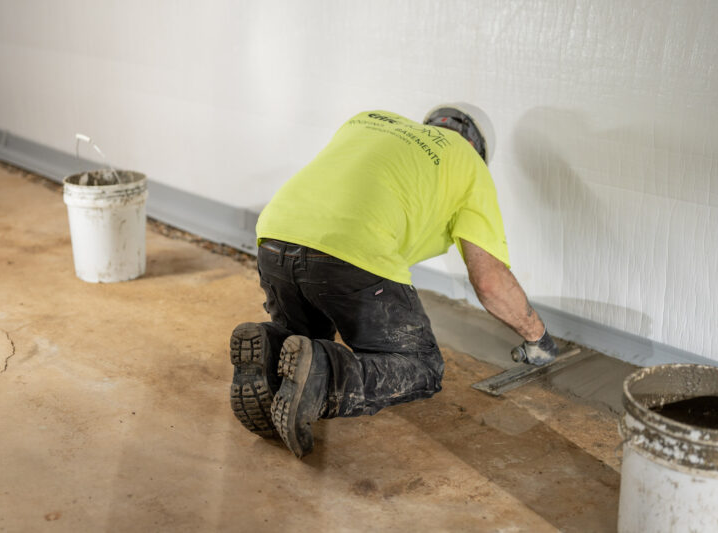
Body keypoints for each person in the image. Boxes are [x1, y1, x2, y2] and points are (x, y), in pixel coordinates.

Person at [229, 103, 558, 458]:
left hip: (275, 237)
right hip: (350, 251)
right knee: (421, 366)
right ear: (478, 147)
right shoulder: (469, 165)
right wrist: (537, 336)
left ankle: (270, 345)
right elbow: (490, 282)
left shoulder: (369, 119)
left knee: (304, 341)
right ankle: (325, 377)